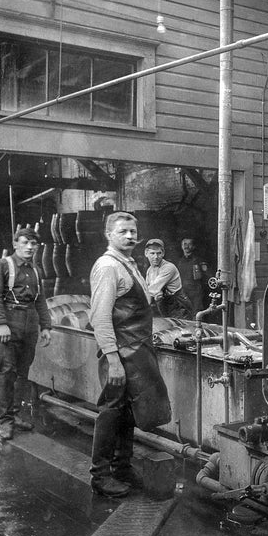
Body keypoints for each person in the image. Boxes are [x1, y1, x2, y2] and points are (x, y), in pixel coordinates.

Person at [88, 212, 172, 498]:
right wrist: (112, 359)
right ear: (108, 234)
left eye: (133, 230)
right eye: (122, 231)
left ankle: (121, 468)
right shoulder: (108, 267)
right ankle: (99, 476)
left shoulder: (131, 265)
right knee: (111, 411)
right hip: (120, 353)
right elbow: (99, 317)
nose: (130, 236)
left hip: (136, 350)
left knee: (127, 413)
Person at [0, 228, 52, 440]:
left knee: (23, 371)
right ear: (15, 244)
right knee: (7, 370)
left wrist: (46, 326)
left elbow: (40, 300)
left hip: (29, 324)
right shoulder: (1, 266)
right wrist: (1, 324)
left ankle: (15, 414)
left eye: (34, 244)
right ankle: (5, 421)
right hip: (7, 321)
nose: (30, 247)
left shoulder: (35, 270)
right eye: (25, 243)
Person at [142, 238, 192, 318]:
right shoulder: (150, 270)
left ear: (163, 253)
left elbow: (152, 290)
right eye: (152, 253)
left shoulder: (168, 267)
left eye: (159, 253)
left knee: (179, 329)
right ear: (146, 253)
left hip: (179, 307)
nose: (156, 257)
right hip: (165, 305)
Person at [173, 237, 211, 314]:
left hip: (195, 294)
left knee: (197, 315)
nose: (186, 246)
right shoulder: (178, 262)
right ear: (181, 246)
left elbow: (207, 277)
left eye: (189, 244)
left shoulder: (199, 261)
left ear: (194, 246)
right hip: (182, 293)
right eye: (184, 244)